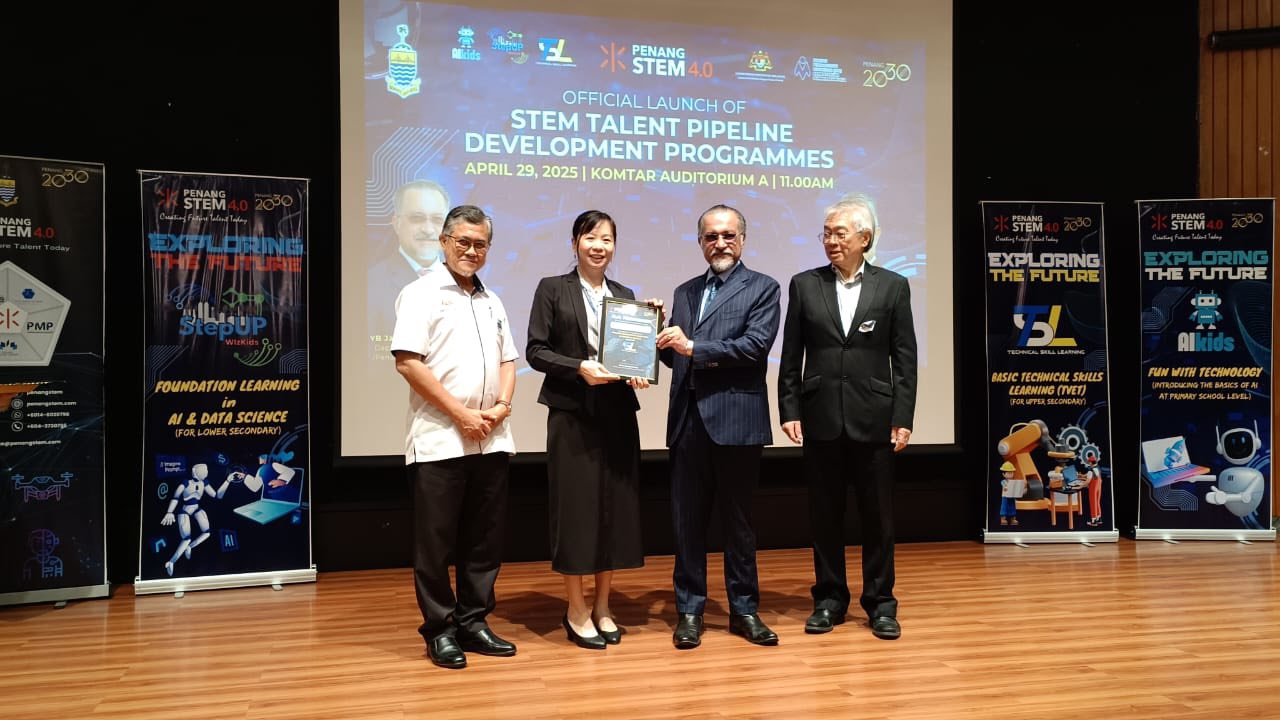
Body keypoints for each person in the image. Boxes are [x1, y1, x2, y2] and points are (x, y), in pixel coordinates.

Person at [778, 193, 917, 641]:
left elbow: (905, 358)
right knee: (825, 516)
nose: (831, 241)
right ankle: (829, 600)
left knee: (878, 518)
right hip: (819, 416)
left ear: (865, 238)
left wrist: (903, 416)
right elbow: (791, 354)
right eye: (826, 234)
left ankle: (880, 603)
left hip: (874, 418)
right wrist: (789, 408)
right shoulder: (804, 284)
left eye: (840, 233)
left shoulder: (893, 286)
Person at [391, 204, 518, 669]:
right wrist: (461, 414)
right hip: (440, 439)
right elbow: (408, 362)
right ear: (444, 242)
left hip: (492, 438)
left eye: (480, 244)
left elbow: (508, 360)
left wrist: (501, 406)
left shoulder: (492, 300)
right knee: (436, 545)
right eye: (463, 241)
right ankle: (440, 630)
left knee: (484, 540)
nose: (471, 251)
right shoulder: (420, 293)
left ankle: (474, 621)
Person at [526, 210, 658, 650]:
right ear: (575, 243)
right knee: (577, 512)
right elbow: (536, 351)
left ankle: (603, 606)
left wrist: (639, 368)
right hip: (571, 415)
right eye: (590, 237)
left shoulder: (625, 296)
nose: (599, 246)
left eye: (607, 239)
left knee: (613, 512)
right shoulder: (552, 288)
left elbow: (632, 354)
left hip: (617, 416)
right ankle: (576, 608)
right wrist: (579, 367)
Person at [655, 204, 781, 649]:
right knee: (687, 524)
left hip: (736, 422)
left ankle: (744, 610)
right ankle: (689, 611)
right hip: (688, 422)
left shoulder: (763, 287)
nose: (720, 243)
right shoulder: (685, 291)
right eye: (711, 236)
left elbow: (754, 347)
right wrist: (656, 333)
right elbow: (675, 358)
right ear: (700, 243)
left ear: (742, 239)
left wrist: (692, 346)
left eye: (728, 235)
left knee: (738, 525)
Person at [369, 179, 450, 338]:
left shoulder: (465, 285)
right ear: (397, 223)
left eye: (437, 220)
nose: (428, 229)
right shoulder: (371, 283)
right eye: (417, 218)